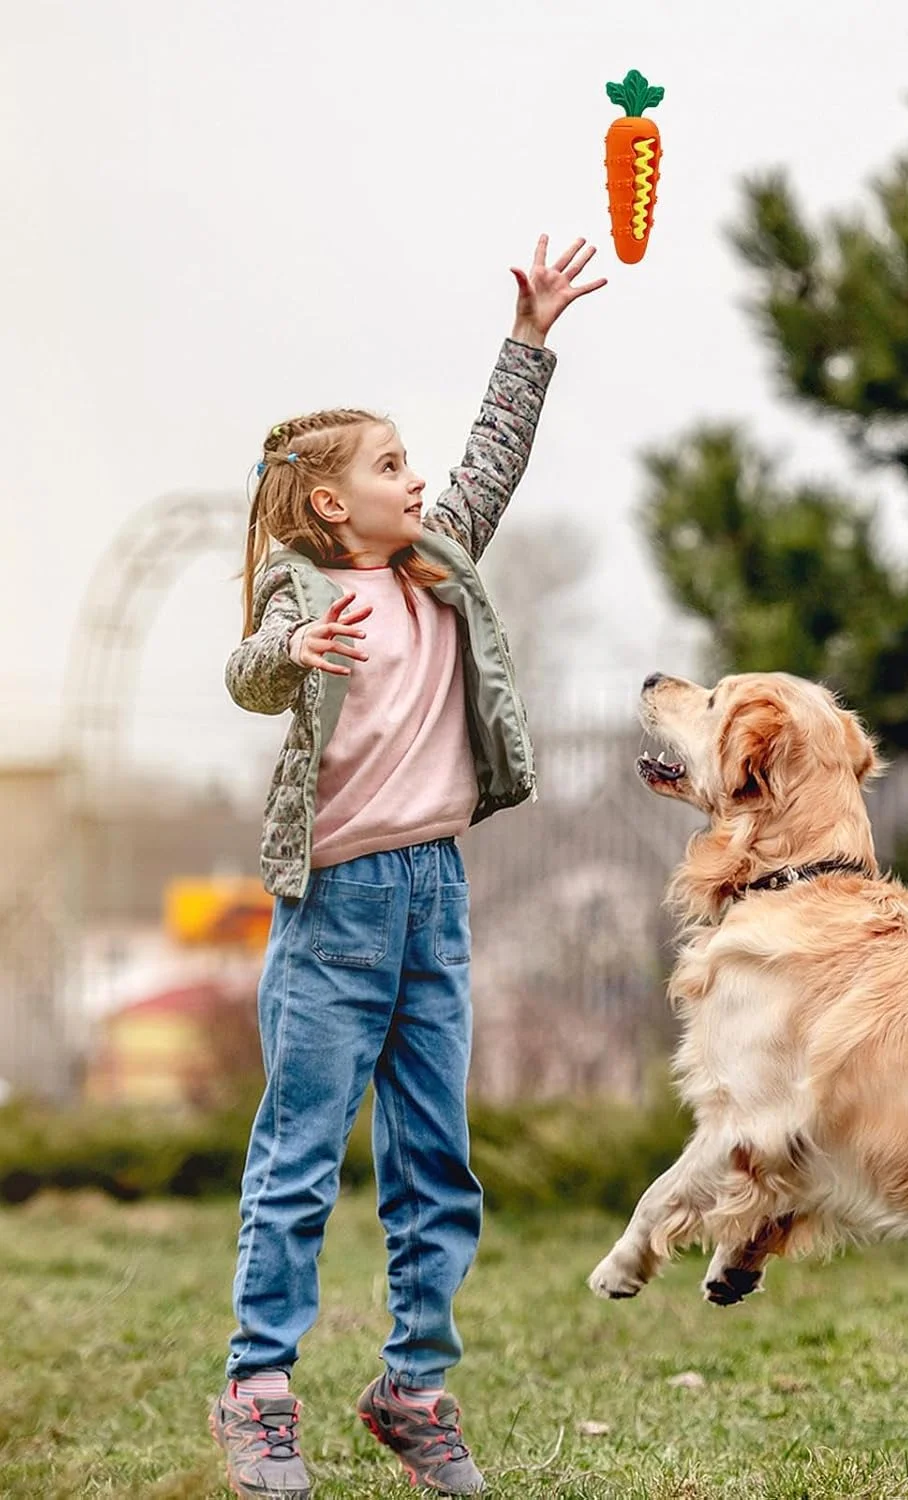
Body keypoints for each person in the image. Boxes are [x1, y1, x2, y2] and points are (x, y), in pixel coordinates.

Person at [211, 236, 605, 1498]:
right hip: (334, 909)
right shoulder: (305, 594)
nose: (417, 476)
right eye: (390, 465)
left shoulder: (441, 565)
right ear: (332, 504)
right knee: (302, 1150)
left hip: (435, 897)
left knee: (439, 1160)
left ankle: (412, 1385)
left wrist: (531, 339)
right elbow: (251, 669)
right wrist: (296, 654)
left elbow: (493, 455)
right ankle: (259, 1388)